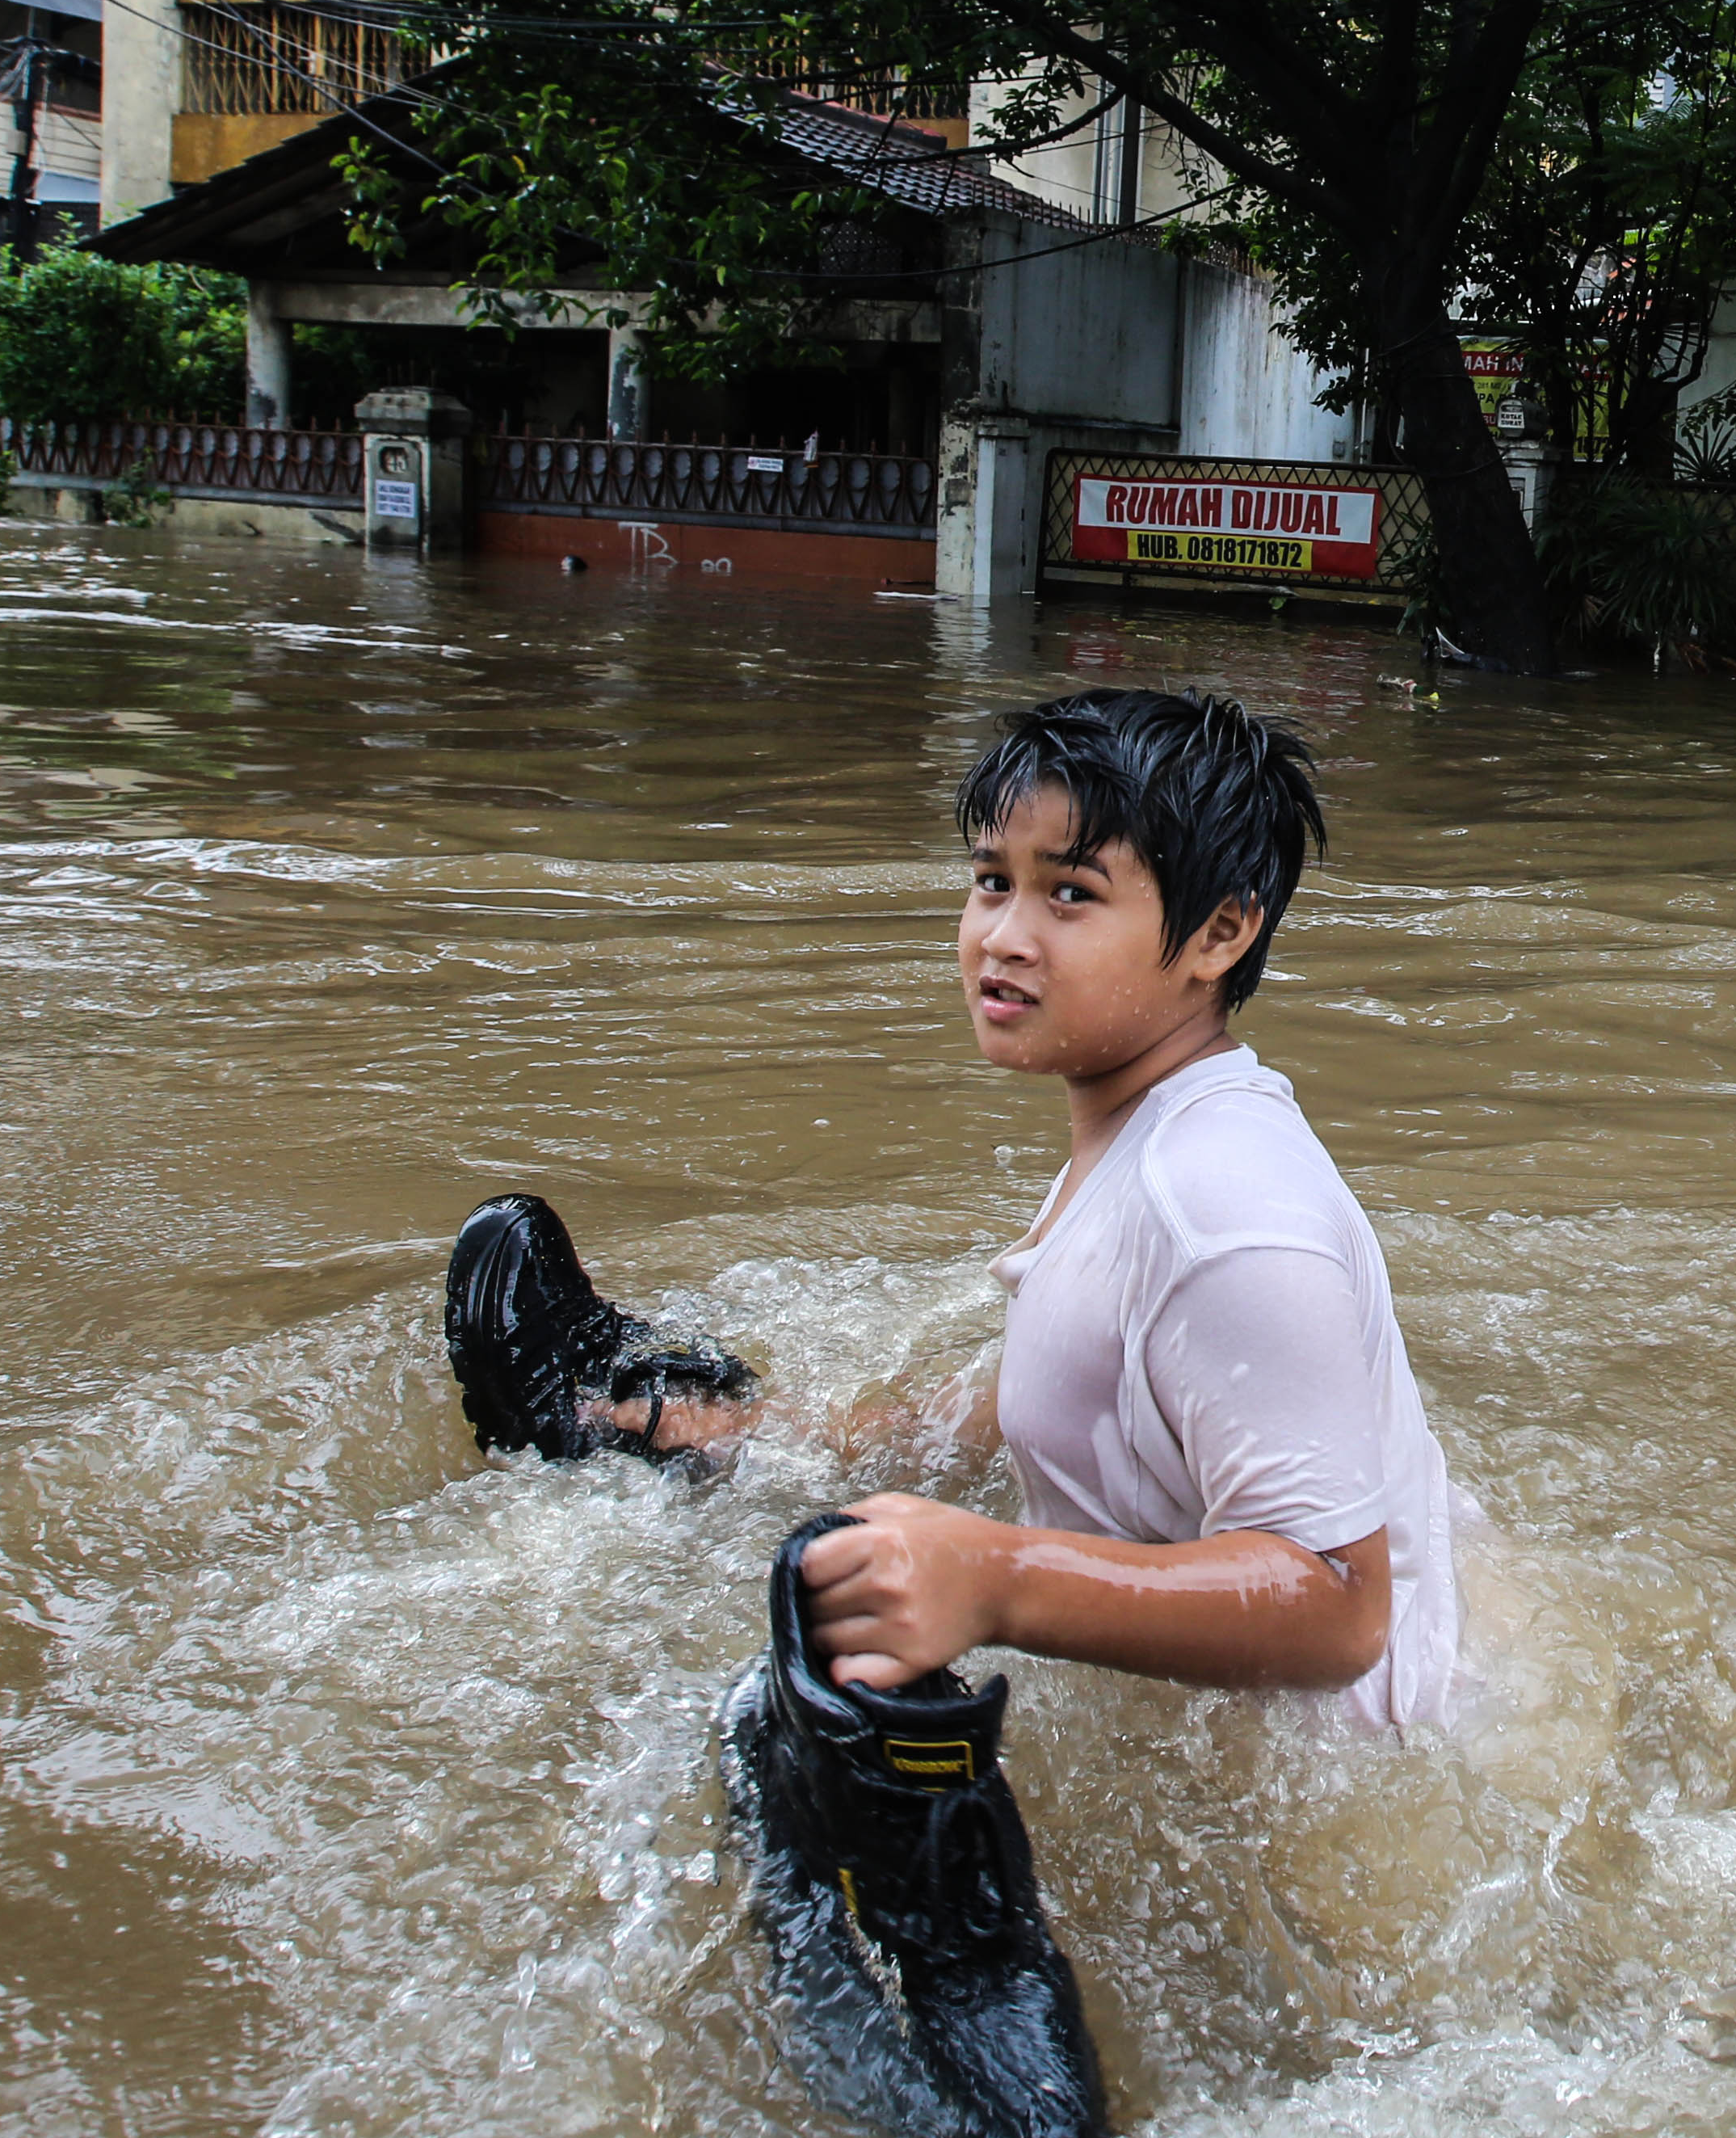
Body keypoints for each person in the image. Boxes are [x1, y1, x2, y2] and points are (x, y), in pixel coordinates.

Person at [443, 685, 1461, 1728]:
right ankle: (672, 1426)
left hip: (1328, 1827)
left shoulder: (1222, 1208)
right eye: (990, 881)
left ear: (1220, 931)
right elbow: (1085, 1393)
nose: (1002, 938)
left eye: (1069, 894)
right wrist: (760, 1438)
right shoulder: (1148, 1136)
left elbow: (1341, 1610)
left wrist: (995, 1578)